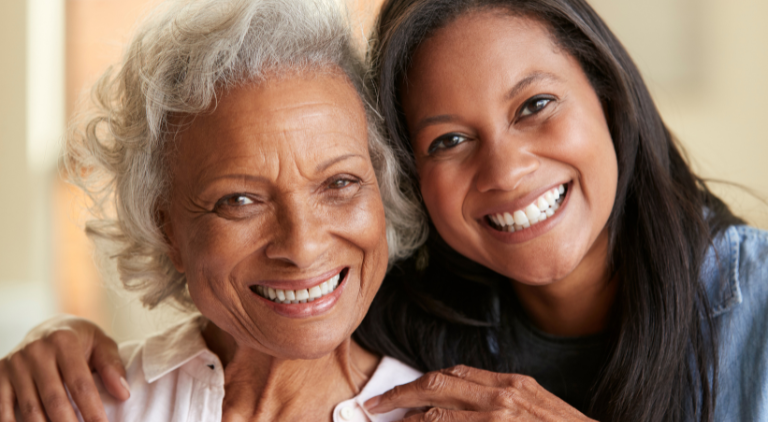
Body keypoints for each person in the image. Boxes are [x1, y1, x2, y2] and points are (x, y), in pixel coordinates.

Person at [3, 0, 768, 421]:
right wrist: (48, 342)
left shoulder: (753, 304)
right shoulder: (415, 321)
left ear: (609, 91)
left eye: (535, 105)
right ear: (408, 181)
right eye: (448, 140)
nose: (506, 170)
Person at [0, 0, 433, 420]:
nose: (302, 247)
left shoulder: (445, 414)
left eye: (340, 183)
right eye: (239, 201)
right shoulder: (72, 406)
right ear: (167, 230)